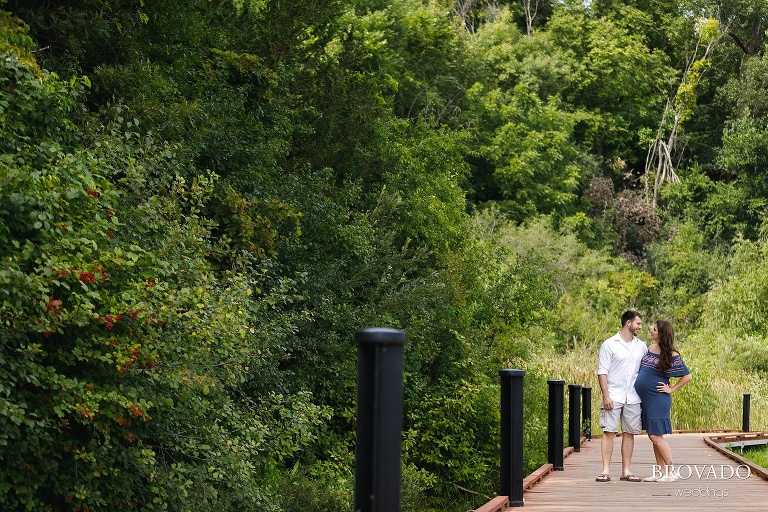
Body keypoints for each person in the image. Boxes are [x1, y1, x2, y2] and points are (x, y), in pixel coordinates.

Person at [634, 319, 692, 482]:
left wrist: (671, 388)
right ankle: (660, 472)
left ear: (662, 334)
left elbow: (687, 376)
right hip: (646, 400)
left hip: (658, 400)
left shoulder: (672, 354)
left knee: (655, 436)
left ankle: (672, 471)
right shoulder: (650, 348)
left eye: (654, 329)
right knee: (654, 435)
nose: (651, 331)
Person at [595, 310, 647, 482]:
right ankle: (605, 471)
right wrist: (606, 396)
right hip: (614, 395)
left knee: (629, 433)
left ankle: (626, 471)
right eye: (638, 323)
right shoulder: (609, 344)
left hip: (633, 396)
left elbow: (645, 372)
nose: (640, 326)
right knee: (609, 431)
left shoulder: (642, 346)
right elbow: (602, 372)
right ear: (628, 323)